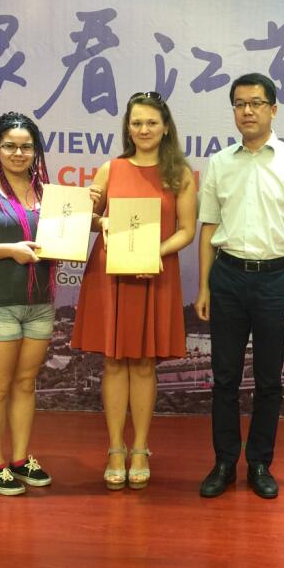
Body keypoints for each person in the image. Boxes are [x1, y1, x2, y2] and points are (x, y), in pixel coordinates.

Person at [195, 73, 284, 499]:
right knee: (224, 377)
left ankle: (259, 463)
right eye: (239, 104)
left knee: (269, 379)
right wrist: (204, 288)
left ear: (273, 109)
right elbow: (208, 228)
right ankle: (224, 462)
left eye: (256, 103)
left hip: (275, 279)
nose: (247, 111)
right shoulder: (220, 163)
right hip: (227, 276)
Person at [72, 92, 196, 490]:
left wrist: (153, 253)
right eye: (137, 123)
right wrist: (95, 214)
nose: (144, 129)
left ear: (165, 128)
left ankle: (140, 448)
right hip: (111, 274)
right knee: (113, 362)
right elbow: (89, 221)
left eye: (151, 123)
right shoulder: (111, 169)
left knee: (144, 364)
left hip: (155, 271)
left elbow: (187, 231)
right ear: (128, 127)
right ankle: (115, 448)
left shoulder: (181, 174)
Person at [0, 111, 78, 496]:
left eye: (26, 147)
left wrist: (99, 216)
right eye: (9, 145)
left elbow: (76, 226)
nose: (18, 153)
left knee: (26, 384)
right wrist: (11, 249)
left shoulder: (49, 194)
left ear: (36, 150)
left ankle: (21, 458)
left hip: (40, 304)